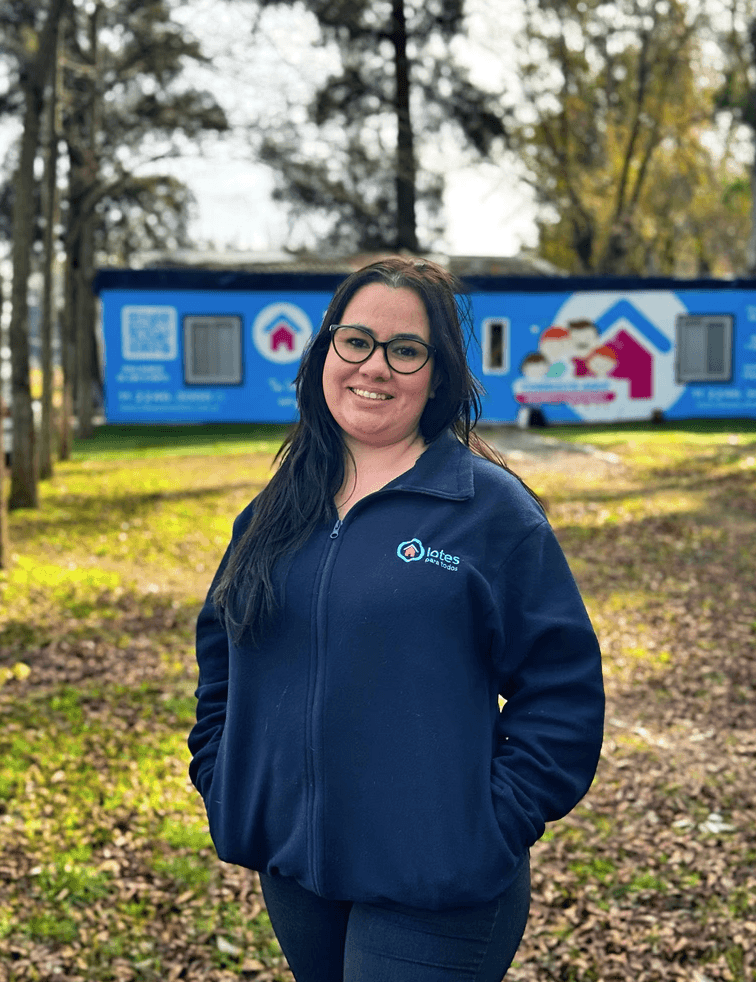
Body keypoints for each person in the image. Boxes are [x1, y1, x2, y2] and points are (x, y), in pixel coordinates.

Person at [188, 257, 604, 982]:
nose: (374, 367)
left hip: (437, 879)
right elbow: (223, 648)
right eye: (355, 342)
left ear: (436, 375)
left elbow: (562, 690)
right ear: (325, 353)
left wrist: (487, 820)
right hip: (299, 869)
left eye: (404, 350)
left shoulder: (489, 511)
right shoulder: (278, 508)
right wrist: (225, 772)